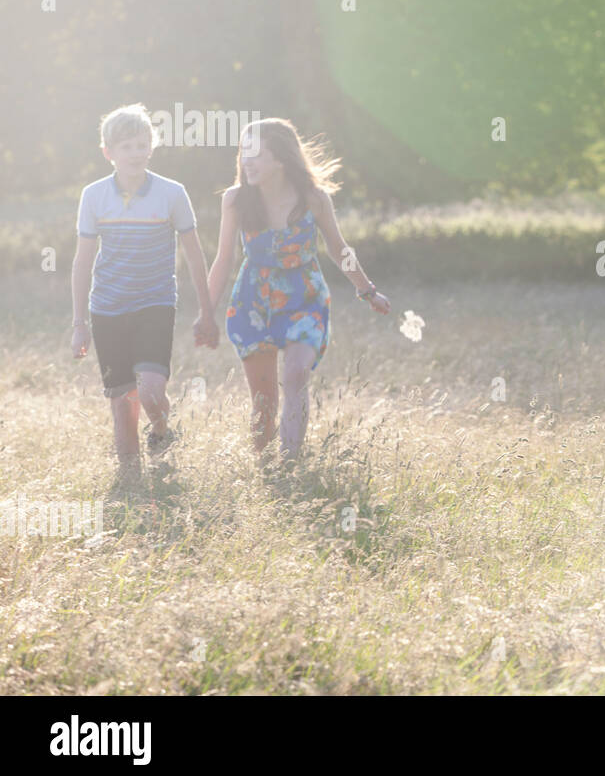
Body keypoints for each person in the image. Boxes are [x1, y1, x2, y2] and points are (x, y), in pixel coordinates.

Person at [206, 119, 390, 465]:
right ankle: (265, 470)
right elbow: (224, 258)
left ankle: (290, 465)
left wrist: (368, 291)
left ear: (281, 158)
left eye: (257, 154)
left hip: (304, 299)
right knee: (263, 400)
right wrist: (206, 312)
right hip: (253, 301)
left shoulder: (314, 199)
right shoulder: (235, 200)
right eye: (244, 152)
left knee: (295, 375)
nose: (248, 161)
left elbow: (338, 248)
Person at [71, 103, 219, 491]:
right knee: (122, 404)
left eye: (141, 144)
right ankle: (131, 485)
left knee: (151, 392)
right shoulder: (93, 196)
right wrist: (79, 324)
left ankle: (161, 429)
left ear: (151, 147)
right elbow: (82, 261)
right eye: (126, 147)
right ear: (108, 153)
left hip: (155, 302)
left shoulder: (172, 193)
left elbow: (193, 254)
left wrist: (207, 311)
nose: (135, 153)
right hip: (107, 308)